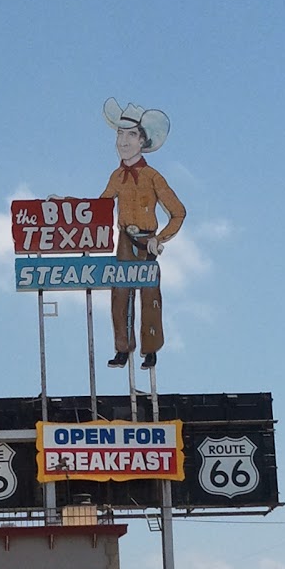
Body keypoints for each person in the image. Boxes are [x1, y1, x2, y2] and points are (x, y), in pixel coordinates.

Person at [100, 98, 186, 368]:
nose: (123, 141)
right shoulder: (117, 176)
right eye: (120, 134)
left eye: (131, 135)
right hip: (124, 241)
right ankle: (122, 348)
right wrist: (65, 205)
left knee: (150, 297)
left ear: (142, 141)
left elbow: (178, 212)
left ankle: (150, 350)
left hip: (147, 241)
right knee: (120, 295)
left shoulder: (152, 177)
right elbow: (99, 206)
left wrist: (158, 240)